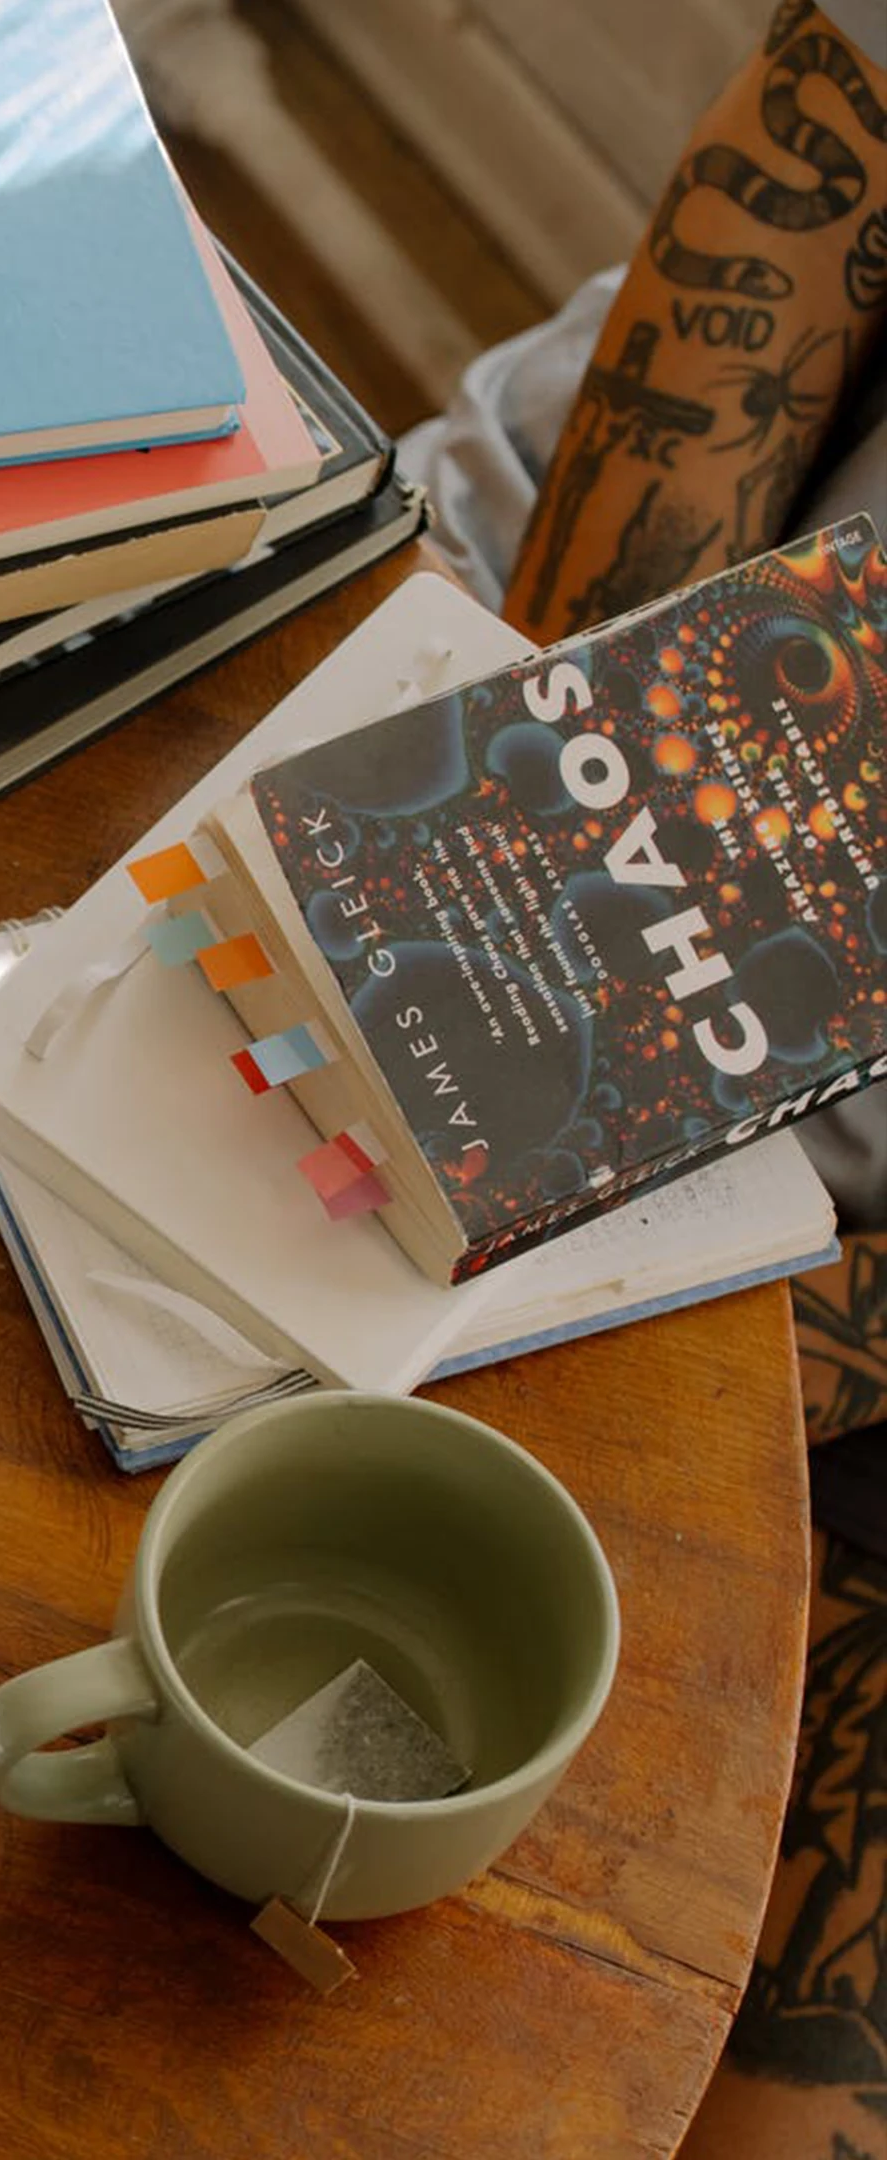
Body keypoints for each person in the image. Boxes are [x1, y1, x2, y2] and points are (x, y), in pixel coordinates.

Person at [400, 10, 887, 2151]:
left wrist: (665, 1340)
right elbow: (776, 245)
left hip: (821, 1298)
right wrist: (514, 1029)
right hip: (469, 730)